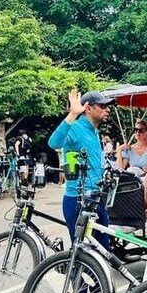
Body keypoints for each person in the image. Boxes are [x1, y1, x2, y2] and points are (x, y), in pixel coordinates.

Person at [48, 89, 114, 246]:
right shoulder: (76, 127)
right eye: (102, 106)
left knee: (102, 249)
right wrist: (73, 114)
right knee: (82, 251)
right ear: (89, 108)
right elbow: (54, 143)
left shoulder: (94, 131)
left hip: (96, 197)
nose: (107, 109)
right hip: (78, 199)